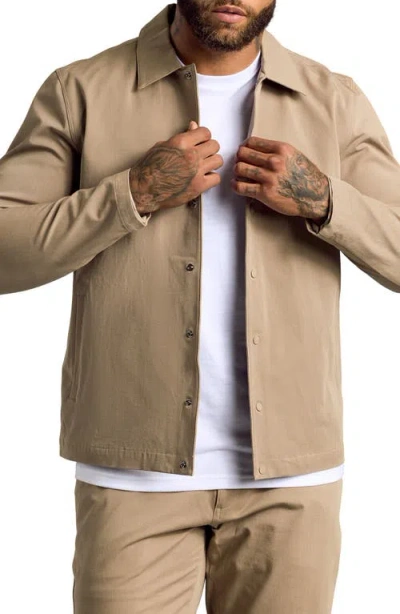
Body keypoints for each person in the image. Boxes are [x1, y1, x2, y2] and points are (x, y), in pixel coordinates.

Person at [1, 1, 399, 612]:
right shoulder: (81, 91)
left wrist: (325, 201)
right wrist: (130, 194)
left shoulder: (333, 100)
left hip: (291, 484)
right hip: (134, 476)